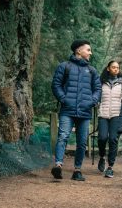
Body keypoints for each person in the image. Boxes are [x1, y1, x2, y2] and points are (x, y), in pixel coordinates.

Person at [51, 39, 102, 181]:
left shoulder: (92, 71)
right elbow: (56, 85)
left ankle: (77, 170)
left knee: (82, 142)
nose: (90, 53)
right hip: (67, 110)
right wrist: (64, 99)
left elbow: (97, 89)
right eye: (88, 50)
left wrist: (91, 101)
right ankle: (58, 166)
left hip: (85, 112)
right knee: (63, 137)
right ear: (78, 51)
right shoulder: (64, 66)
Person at [97, 60, 122, 178]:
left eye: (117, 67)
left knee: (113, 139)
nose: (116, 69)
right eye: (113, 67)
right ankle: (102, 157)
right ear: (108, 68)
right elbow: (97, 96)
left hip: (117, 114)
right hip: (103, 114)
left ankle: (110, 166)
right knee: (102, 138)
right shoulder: (101, 82)